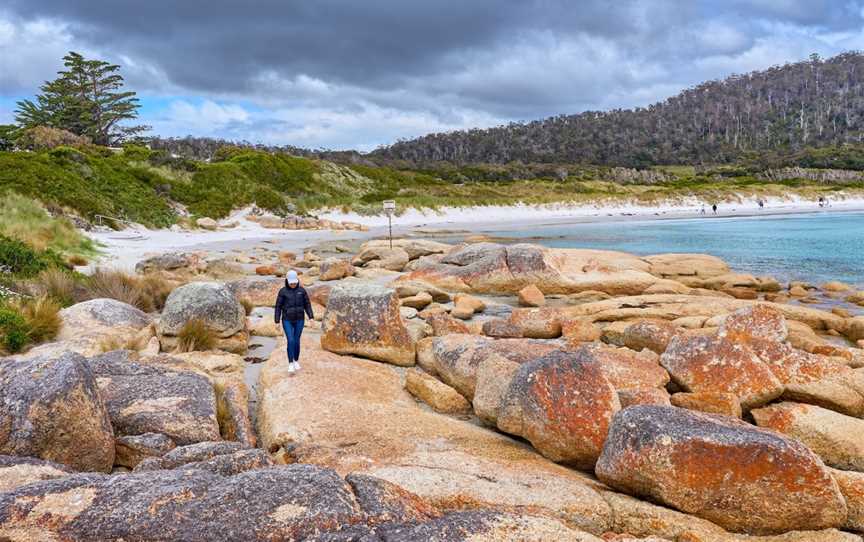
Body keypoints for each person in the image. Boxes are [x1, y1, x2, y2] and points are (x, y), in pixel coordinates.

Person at [274, 270, 314, 373]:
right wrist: (277, 321)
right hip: (287, 319)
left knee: (296, 341)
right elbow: (278, 307)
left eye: (294, 282)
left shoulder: (302, 291)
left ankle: (296, 360)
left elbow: (307, 305)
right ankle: (290, 363)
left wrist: (311, 318)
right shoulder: (282, 292)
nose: (293, 284)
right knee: (290, 340)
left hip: (300, 319)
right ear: (287, 280)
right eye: (291, 282)